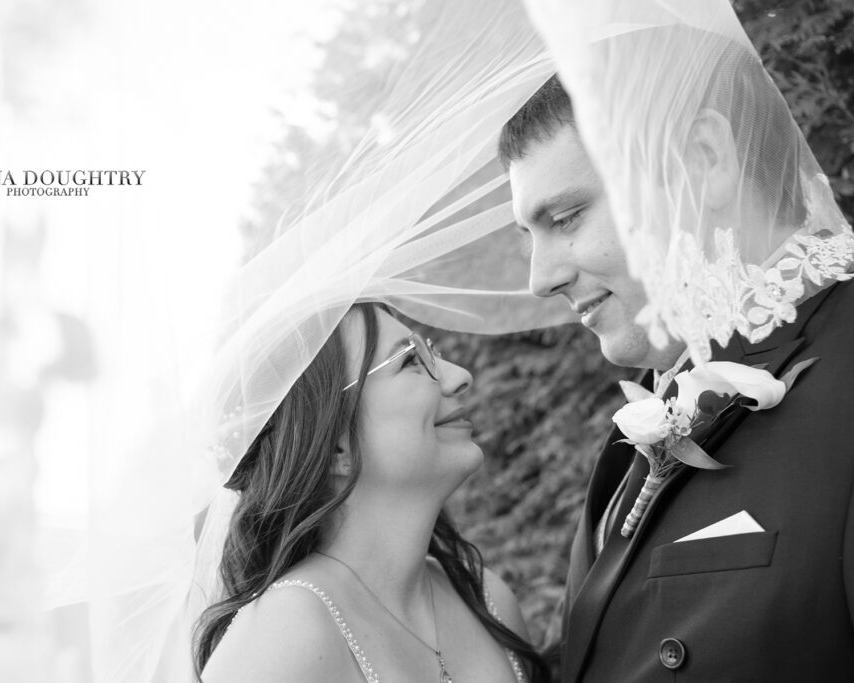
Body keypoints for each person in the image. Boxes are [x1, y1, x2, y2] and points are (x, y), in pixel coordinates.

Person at [499, 9, 854, 683]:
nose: (540, 278)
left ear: (705, 159)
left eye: (567, 217)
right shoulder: (641, 426)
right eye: (528, 236)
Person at [195, 302, 548, 682]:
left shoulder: (486, 597)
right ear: (333, 446)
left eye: (432, 353)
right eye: (411, 361)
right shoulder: (281, 637)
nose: (459, 376)